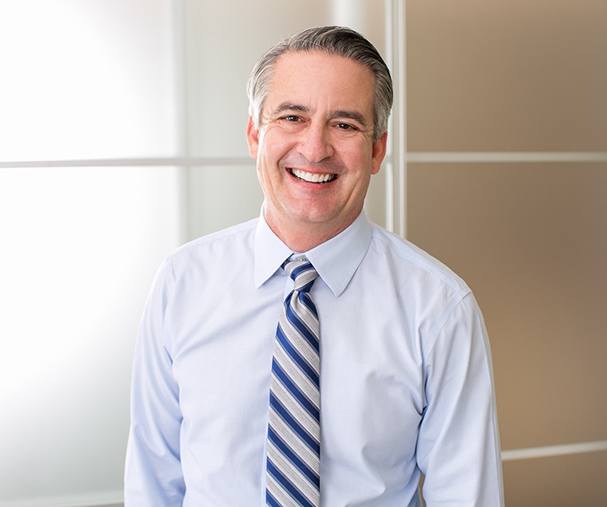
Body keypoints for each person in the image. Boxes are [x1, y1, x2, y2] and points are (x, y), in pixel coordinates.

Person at [124, 26, 504, 506]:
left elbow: (467, 497)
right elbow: (153, 485)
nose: (315, 148)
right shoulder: (182, 283)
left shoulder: (440, 308)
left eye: (345, 124)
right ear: (253, 134)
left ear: (377, 150)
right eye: (292, 117)